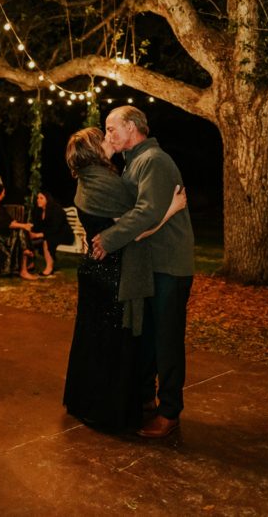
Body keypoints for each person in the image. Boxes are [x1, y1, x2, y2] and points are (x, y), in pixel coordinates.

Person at [63, 127, 186, 431]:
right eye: (103, 138)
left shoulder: (88, 179)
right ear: (94, 151)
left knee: (94, 342)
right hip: (111, 272)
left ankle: (88, 402)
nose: (109, 139)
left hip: (96, 270)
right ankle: (108, 410)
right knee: (114, 345)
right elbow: (136, 227)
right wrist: (171, 209)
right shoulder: (106, 183)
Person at [92, 106, 195, 439]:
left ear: (132, 126)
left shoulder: (153, 161)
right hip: (150, 264)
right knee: (148, 336)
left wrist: (108, 239)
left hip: (169, 264)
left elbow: (146, 213)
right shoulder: (133, 161)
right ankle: (148, 403)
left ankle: (169, 413)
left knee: (166, 339)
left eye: (111, 129)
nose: (107, 135)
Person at [0, 184, 38, 280]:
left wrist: (20, 224)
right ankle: (25, 262)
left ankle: (26, 255)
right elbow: (2, 224)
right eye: (3, 193)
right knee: (22, 231)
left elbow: (9, 220)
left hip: (4, 232)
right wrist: (23, 225)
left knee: (21, 231)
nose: (4, 195)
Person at [30, 191, 73, 276]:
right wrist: (30, 229)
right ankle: (29, 264)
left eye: (41, 198)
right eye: (38, 198)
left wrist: (38, 235)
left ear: (47, 199)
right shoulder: (39, 211)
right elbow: (37, 226)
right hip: (51, 233)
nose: (38, 200)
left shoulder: (56, 210)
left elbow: (55, 228)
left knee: (47, 240)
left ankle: (49, 268)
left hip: (63, 234)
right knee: (28, 237)